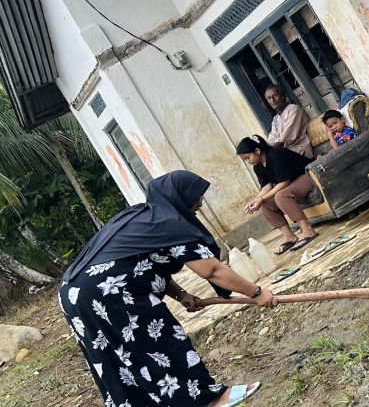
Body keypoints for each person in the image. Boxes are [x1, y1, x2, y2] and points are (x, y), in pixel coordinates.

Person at [59, 171, 277, 407]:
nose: (199, 205)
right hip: (108, 293)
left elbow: (140, 263)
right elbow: (212, 270)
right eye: (196, 198)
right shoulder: (171, 223)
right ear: (179, 197)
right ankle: (210, 400)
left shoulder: (144, 217)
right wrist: (257, 293)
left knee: (117, 358)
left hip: (73, 293)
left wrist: (181, 295)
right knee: (162, 343)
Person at [236, 136, 319, 254]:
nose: (248, 161)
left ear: (257, 151)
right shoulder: (258, 167)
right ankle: (289, 236)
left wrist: (261, 198)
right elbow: (267, 187)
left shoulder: (276, 154)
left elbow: (284, 182)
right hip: (292, 183)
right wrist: (256, 200)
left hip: (308, 175)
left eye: (248, 157)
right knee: (265, 204)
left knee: (281, 195)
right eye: (245, 160)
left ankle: (308, 230)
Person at [264, 86, 312, 159]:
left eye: (275, 95)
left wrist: (267, 151)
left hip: (300, 151)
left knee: (273, 156)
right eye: (269, 98)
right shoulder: (275, 119)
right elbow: (271, 139)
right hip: (286, 153)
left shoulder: (294, 109)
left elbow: (285, 139)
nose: (272, 100)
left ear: (283, 96)